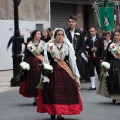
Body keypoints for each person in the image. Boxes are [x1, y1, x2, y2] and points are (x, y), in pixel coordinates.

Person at [37, 28, 83, 120]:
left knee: (64, 92)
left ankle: (60, 113)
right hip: (52, 71)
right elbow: (46, 60)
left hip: (65, 71)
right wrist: (45, 73)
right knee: (52, 92)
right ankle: (52, 111)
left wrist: (75, 74)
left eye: (62, 34)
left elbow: (72, 60)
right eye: (58, 34)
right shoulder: (48, 45)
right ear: (55, 36)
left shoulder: (67, 45)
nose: (60, 36)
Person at [19, 30, 46, 105]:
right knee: (34, 81)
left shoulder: (43, 44)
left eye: (40, 34)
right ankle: (35, 99)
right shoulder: (29, 45)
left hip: (41, 64)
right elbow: (26, 55)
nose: (40, 35)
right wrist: (23, 63)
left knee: (41, 80)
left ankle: (41, 97)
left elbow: (46, 54)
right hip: (32, 65)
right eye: (38, 34)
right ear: (34, 35)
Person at [65, 15, 90, 84]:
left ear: (76, 23)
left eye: (73, 22)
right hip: (68, 54)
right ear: (68, 23)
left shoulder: (80, 32)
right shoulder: (65, 32)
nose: (71, 23)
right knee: (68, 69)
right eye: (70, 22)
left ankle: (77, 83)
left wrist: (78, 53)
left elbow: (82, 44)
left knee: (78, 68)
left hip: (77, 54)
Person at [105, 30, 120, 103]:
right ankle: (114, 96)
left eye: (118, 35)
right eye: (115, 35)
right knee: (114, 80)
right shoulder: (111, 45)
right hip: (113, 64)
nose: (116, 37)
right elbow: (107, 56)